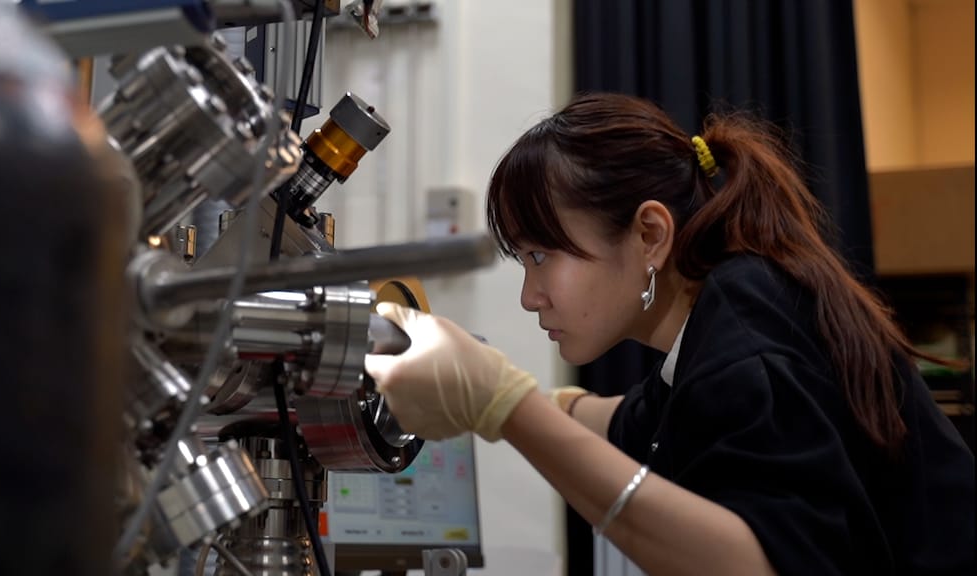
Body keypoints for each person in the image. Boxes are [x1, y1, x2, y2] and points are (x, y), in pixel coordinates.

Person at [364, 92, 976, 575]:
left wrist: (504, 405)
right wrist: (508, 394)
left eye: (542, 255)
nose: (530, 296)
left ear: (650, 235)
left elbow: (757, 566)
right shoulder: (728, 314)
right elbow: (632, 420)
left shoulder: (744, 345)